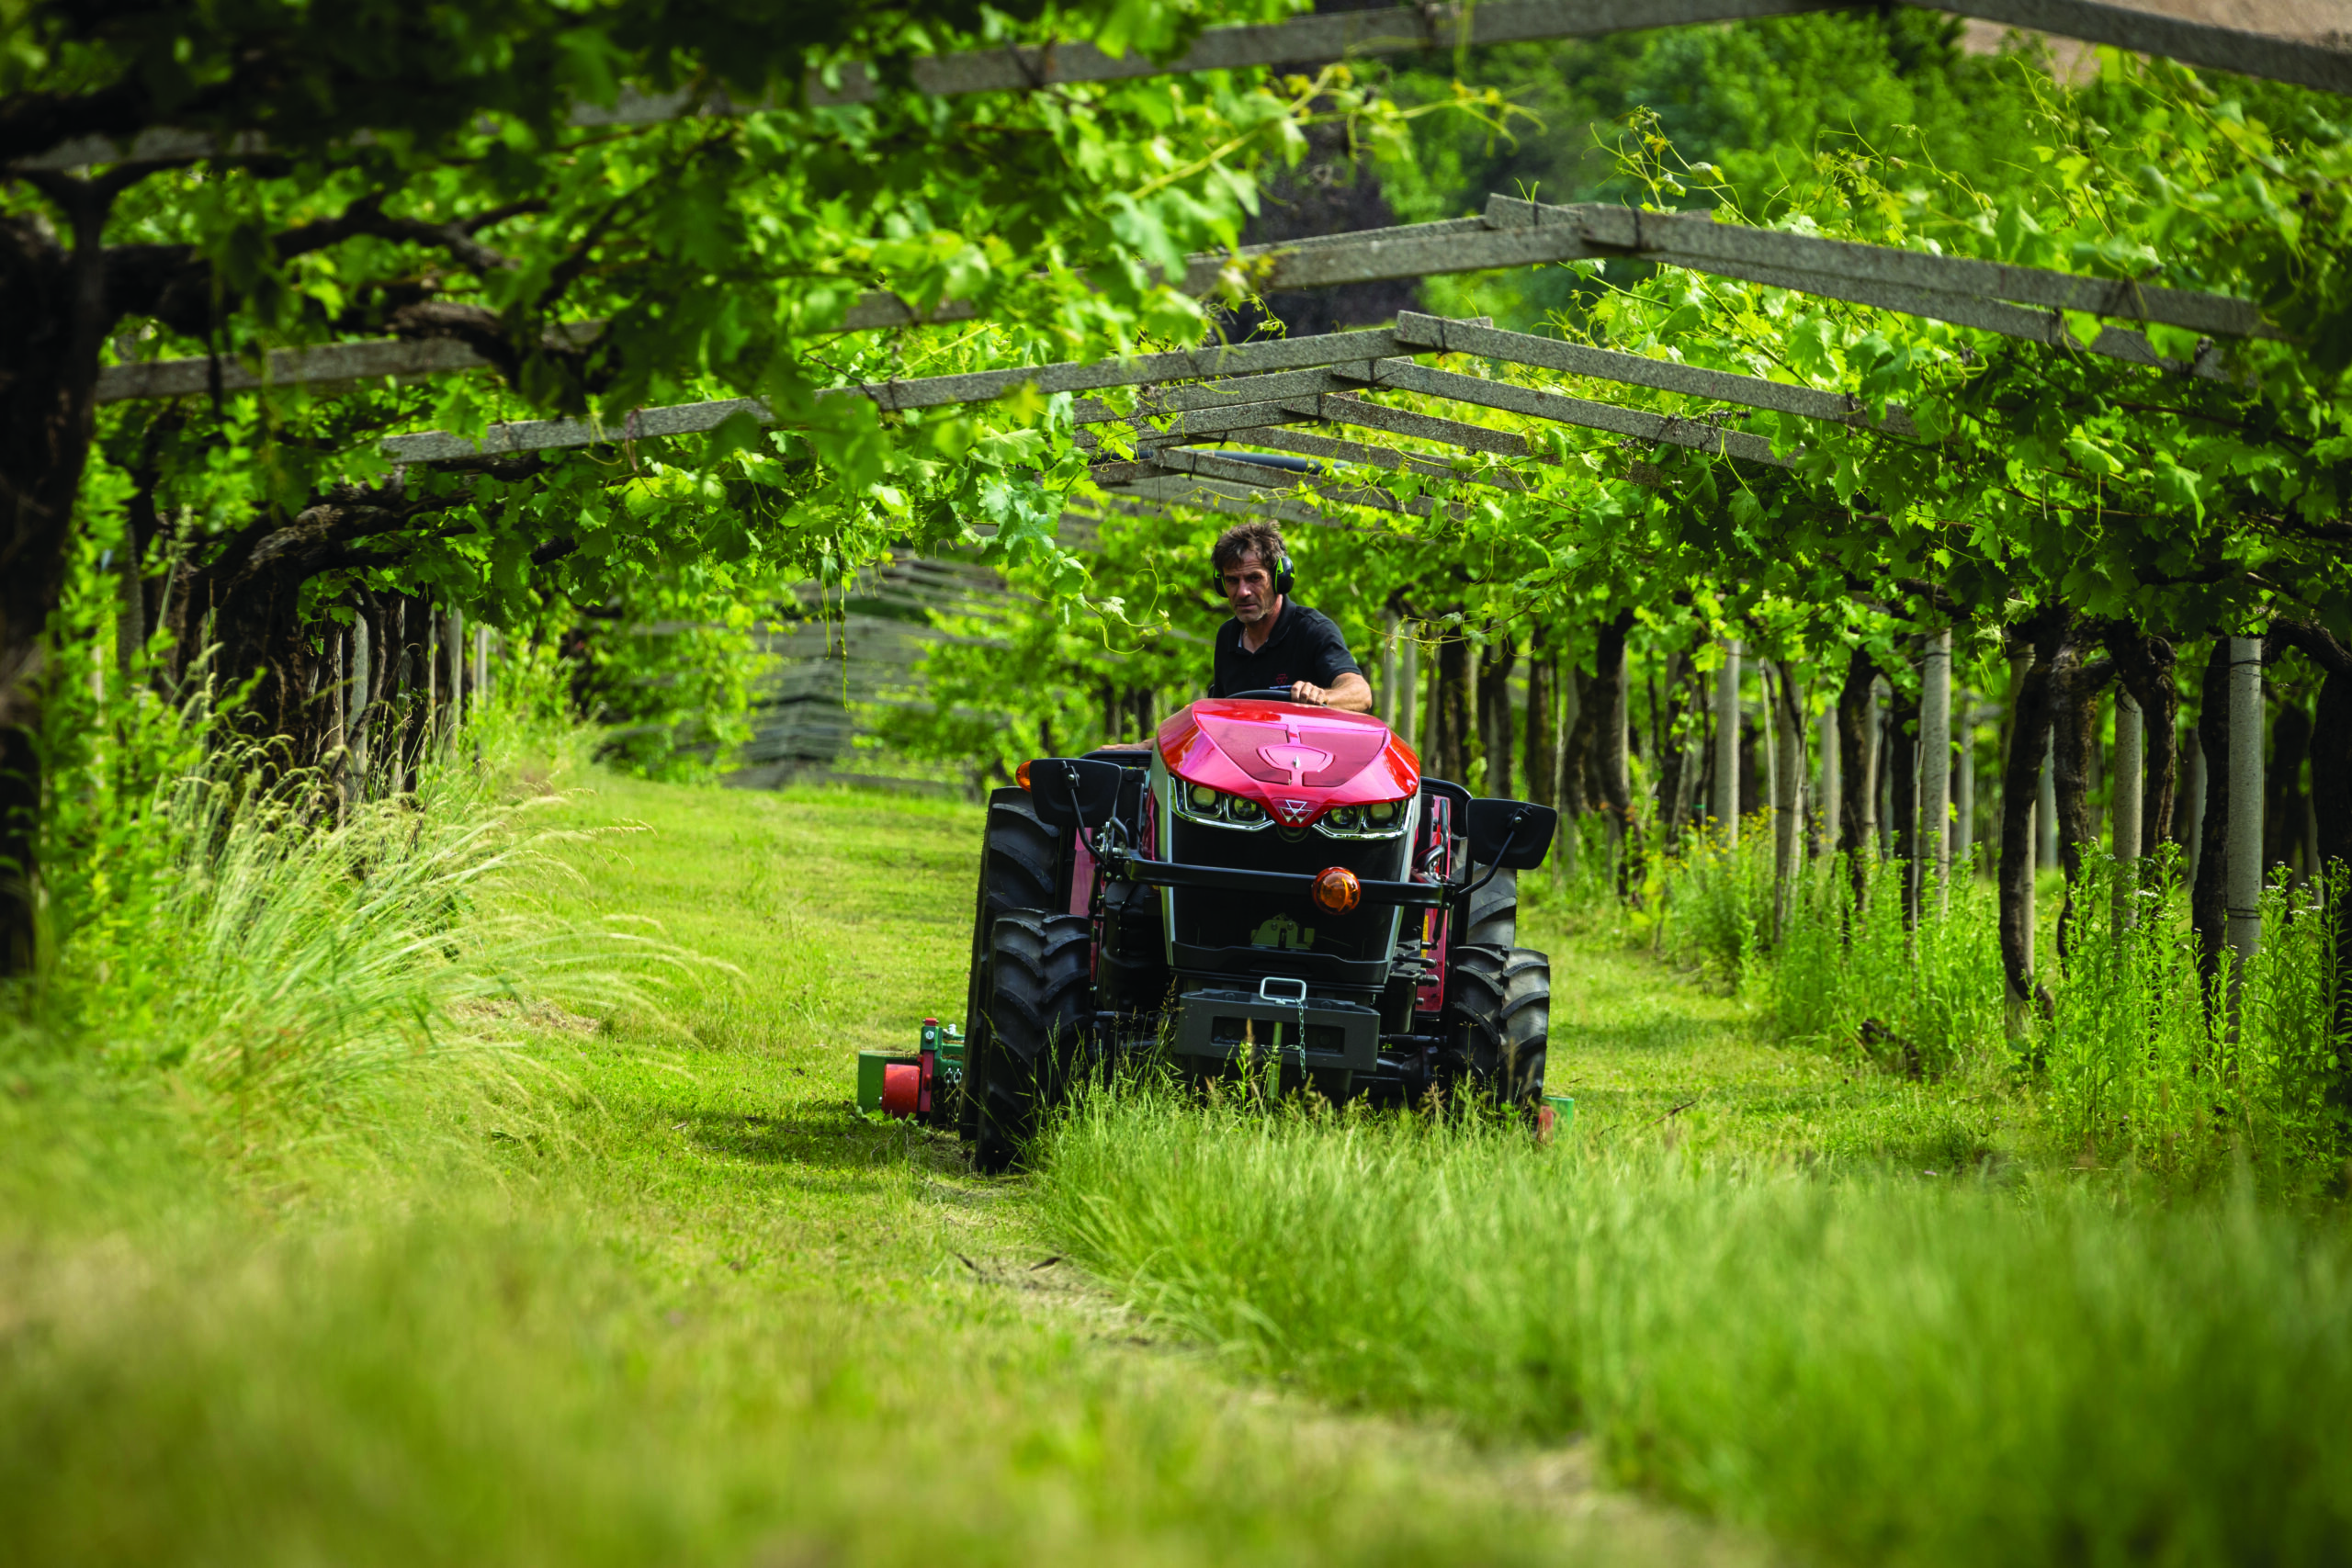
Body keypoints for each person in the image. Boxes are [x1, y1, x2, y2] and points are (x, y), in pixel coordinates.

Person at [1205, 522, 1373, 712]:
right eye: (1232, 580)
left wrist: (1323, 696)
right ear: (1221, 584)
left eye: (1254, 578)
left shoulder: (1313, 629)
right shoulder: (1228, 635)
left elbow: (1361, 694)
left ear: (1280, 579)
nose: (1243, 592)